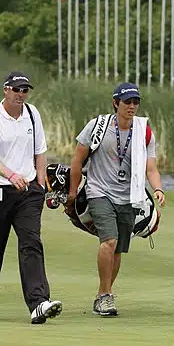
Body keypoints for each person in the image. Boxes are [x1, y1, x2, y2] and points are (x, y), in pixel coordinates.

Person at [68, 82, 165, 317]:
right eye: (127, 102)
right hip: (99, 192)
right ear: (115, 103)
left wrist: (158, 189)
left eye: (135, 102)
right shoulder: (98, 126)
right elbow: (77, 161)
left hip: (129, 196)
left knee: (118, 249)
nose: (132, 106)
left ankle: (104, 294)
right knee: (109, 241)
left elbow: (150, 168)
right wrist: (72, 194)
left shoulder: (144, 131)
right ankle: (104, 297)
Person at [0, 71, 62, 324]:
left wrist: (40, 183)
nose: (21, 95)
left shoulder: (32, 114)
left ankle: (39, 303)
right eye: (16, 90)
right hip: (1, 189)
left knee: (31, 244)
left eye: (24, 90)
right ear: (6, 90)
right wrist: (11, 174)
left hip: (28, 193)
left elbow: (40, 151)